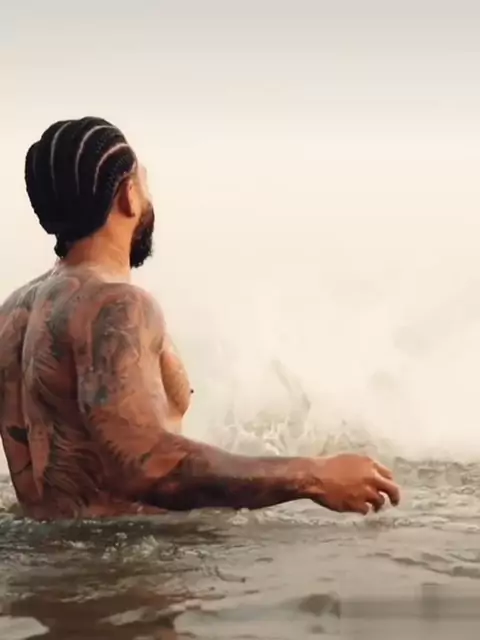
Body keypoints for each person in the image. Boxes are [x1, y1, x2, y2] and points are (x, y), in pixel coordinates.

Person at [0, 117, 400, 520]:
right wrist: (313, 476)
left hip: (50, 557)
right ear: (128, 195)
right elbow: (147, 464)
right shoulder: (117, 305)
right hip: (125, 558)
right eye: (144, 182)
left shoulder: (12, 314)